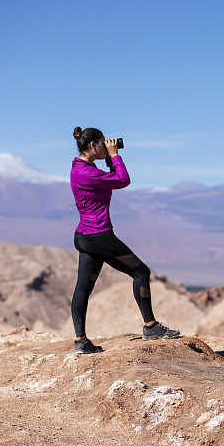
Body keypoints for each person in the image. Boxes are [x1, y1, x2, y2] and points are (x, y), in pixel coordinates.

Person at [69, 126, 180, 354]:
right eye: (103, 143)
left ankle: (81, 341)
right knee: (141, 272)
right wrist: (115, 156)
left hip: (85, 236)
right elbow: (122, 180)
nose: (107, 146)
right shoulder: (88, 173)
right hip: (98, 235)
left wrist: (110, 158)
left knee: (83, 288)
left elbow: (112, 180)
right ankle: (151, 327)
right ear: (93, 146)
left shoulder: (82, 169)